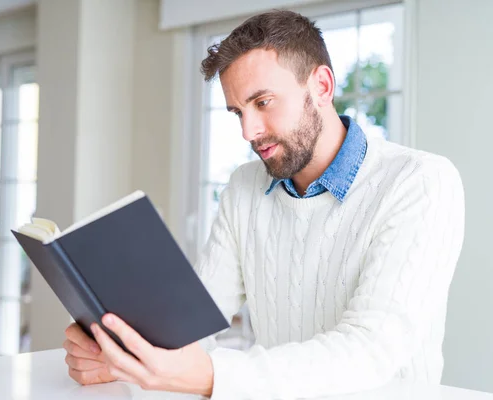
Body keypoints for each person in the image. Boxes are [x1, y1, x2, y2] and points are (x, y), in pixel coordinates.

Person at [62, 9, 465, 400]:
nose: (248, 131)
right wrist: (118, 354)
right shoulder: (244, 188)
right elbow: (194, 323)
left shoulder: (419, 182)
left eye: (264, 102)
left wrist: (213, 375)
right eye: (238, 112)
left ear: (322, 86)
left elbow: (370, 349)